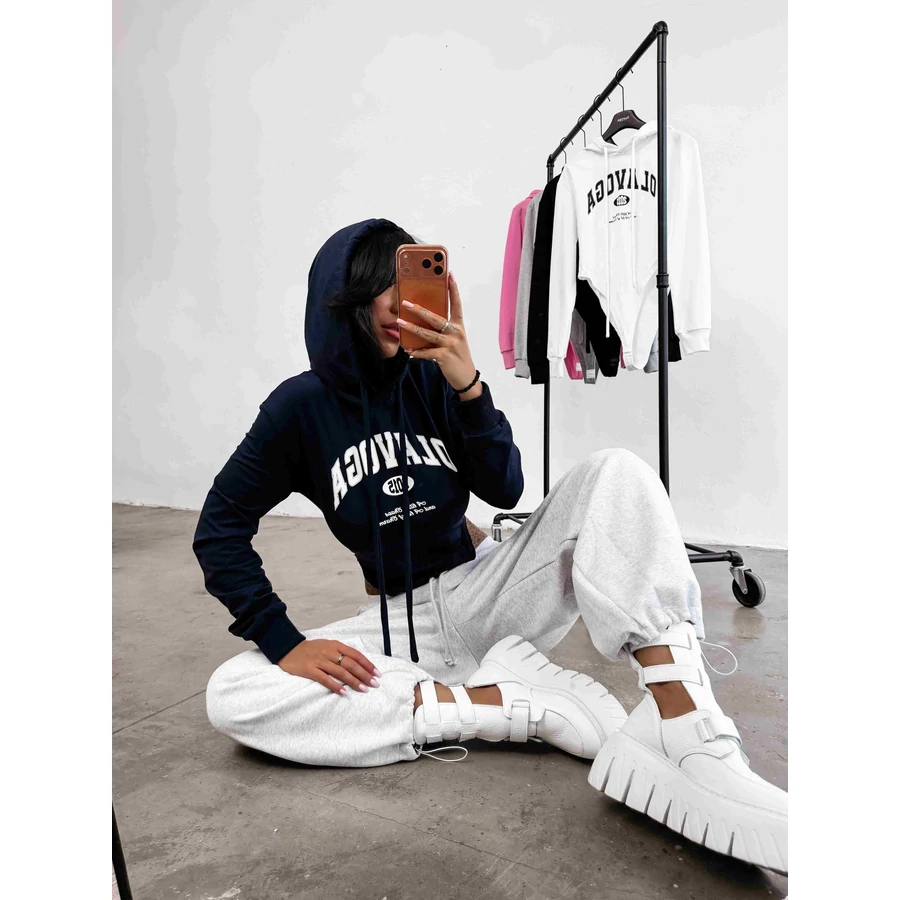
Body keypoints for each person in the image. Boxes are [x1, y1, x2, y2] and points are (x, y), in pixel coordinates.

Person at [192, 219, 787, 875]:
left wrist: (466, 383)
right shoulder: (298, 409)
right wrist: (284, 641)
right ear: (346, 299)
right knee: (234, 692)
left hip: (489, 594)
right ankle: (501, 705)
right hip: (403, 626)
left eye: (407, 282)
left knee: (616, 473)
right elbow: (220, 527)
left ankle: (684, 731)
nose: (399, 303)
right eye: (381, 287)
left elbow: (505, 488)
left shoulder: (434, 378)